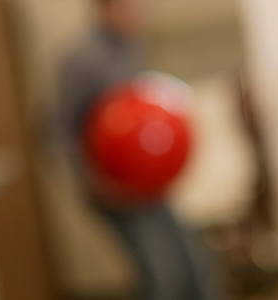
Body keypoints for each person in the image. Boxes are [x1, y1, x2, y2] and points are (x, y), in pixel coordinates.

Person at [55, 0, 222, 299]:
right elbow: (56, 130)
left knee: (196, 268)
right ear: (106, 9)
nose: (140, 12)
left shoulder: (132, 44)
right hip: (116, 189)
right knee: (162, 278)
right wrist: (93, 180)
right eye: (131, 6)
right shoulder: (84, 59)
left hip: (148, 182)